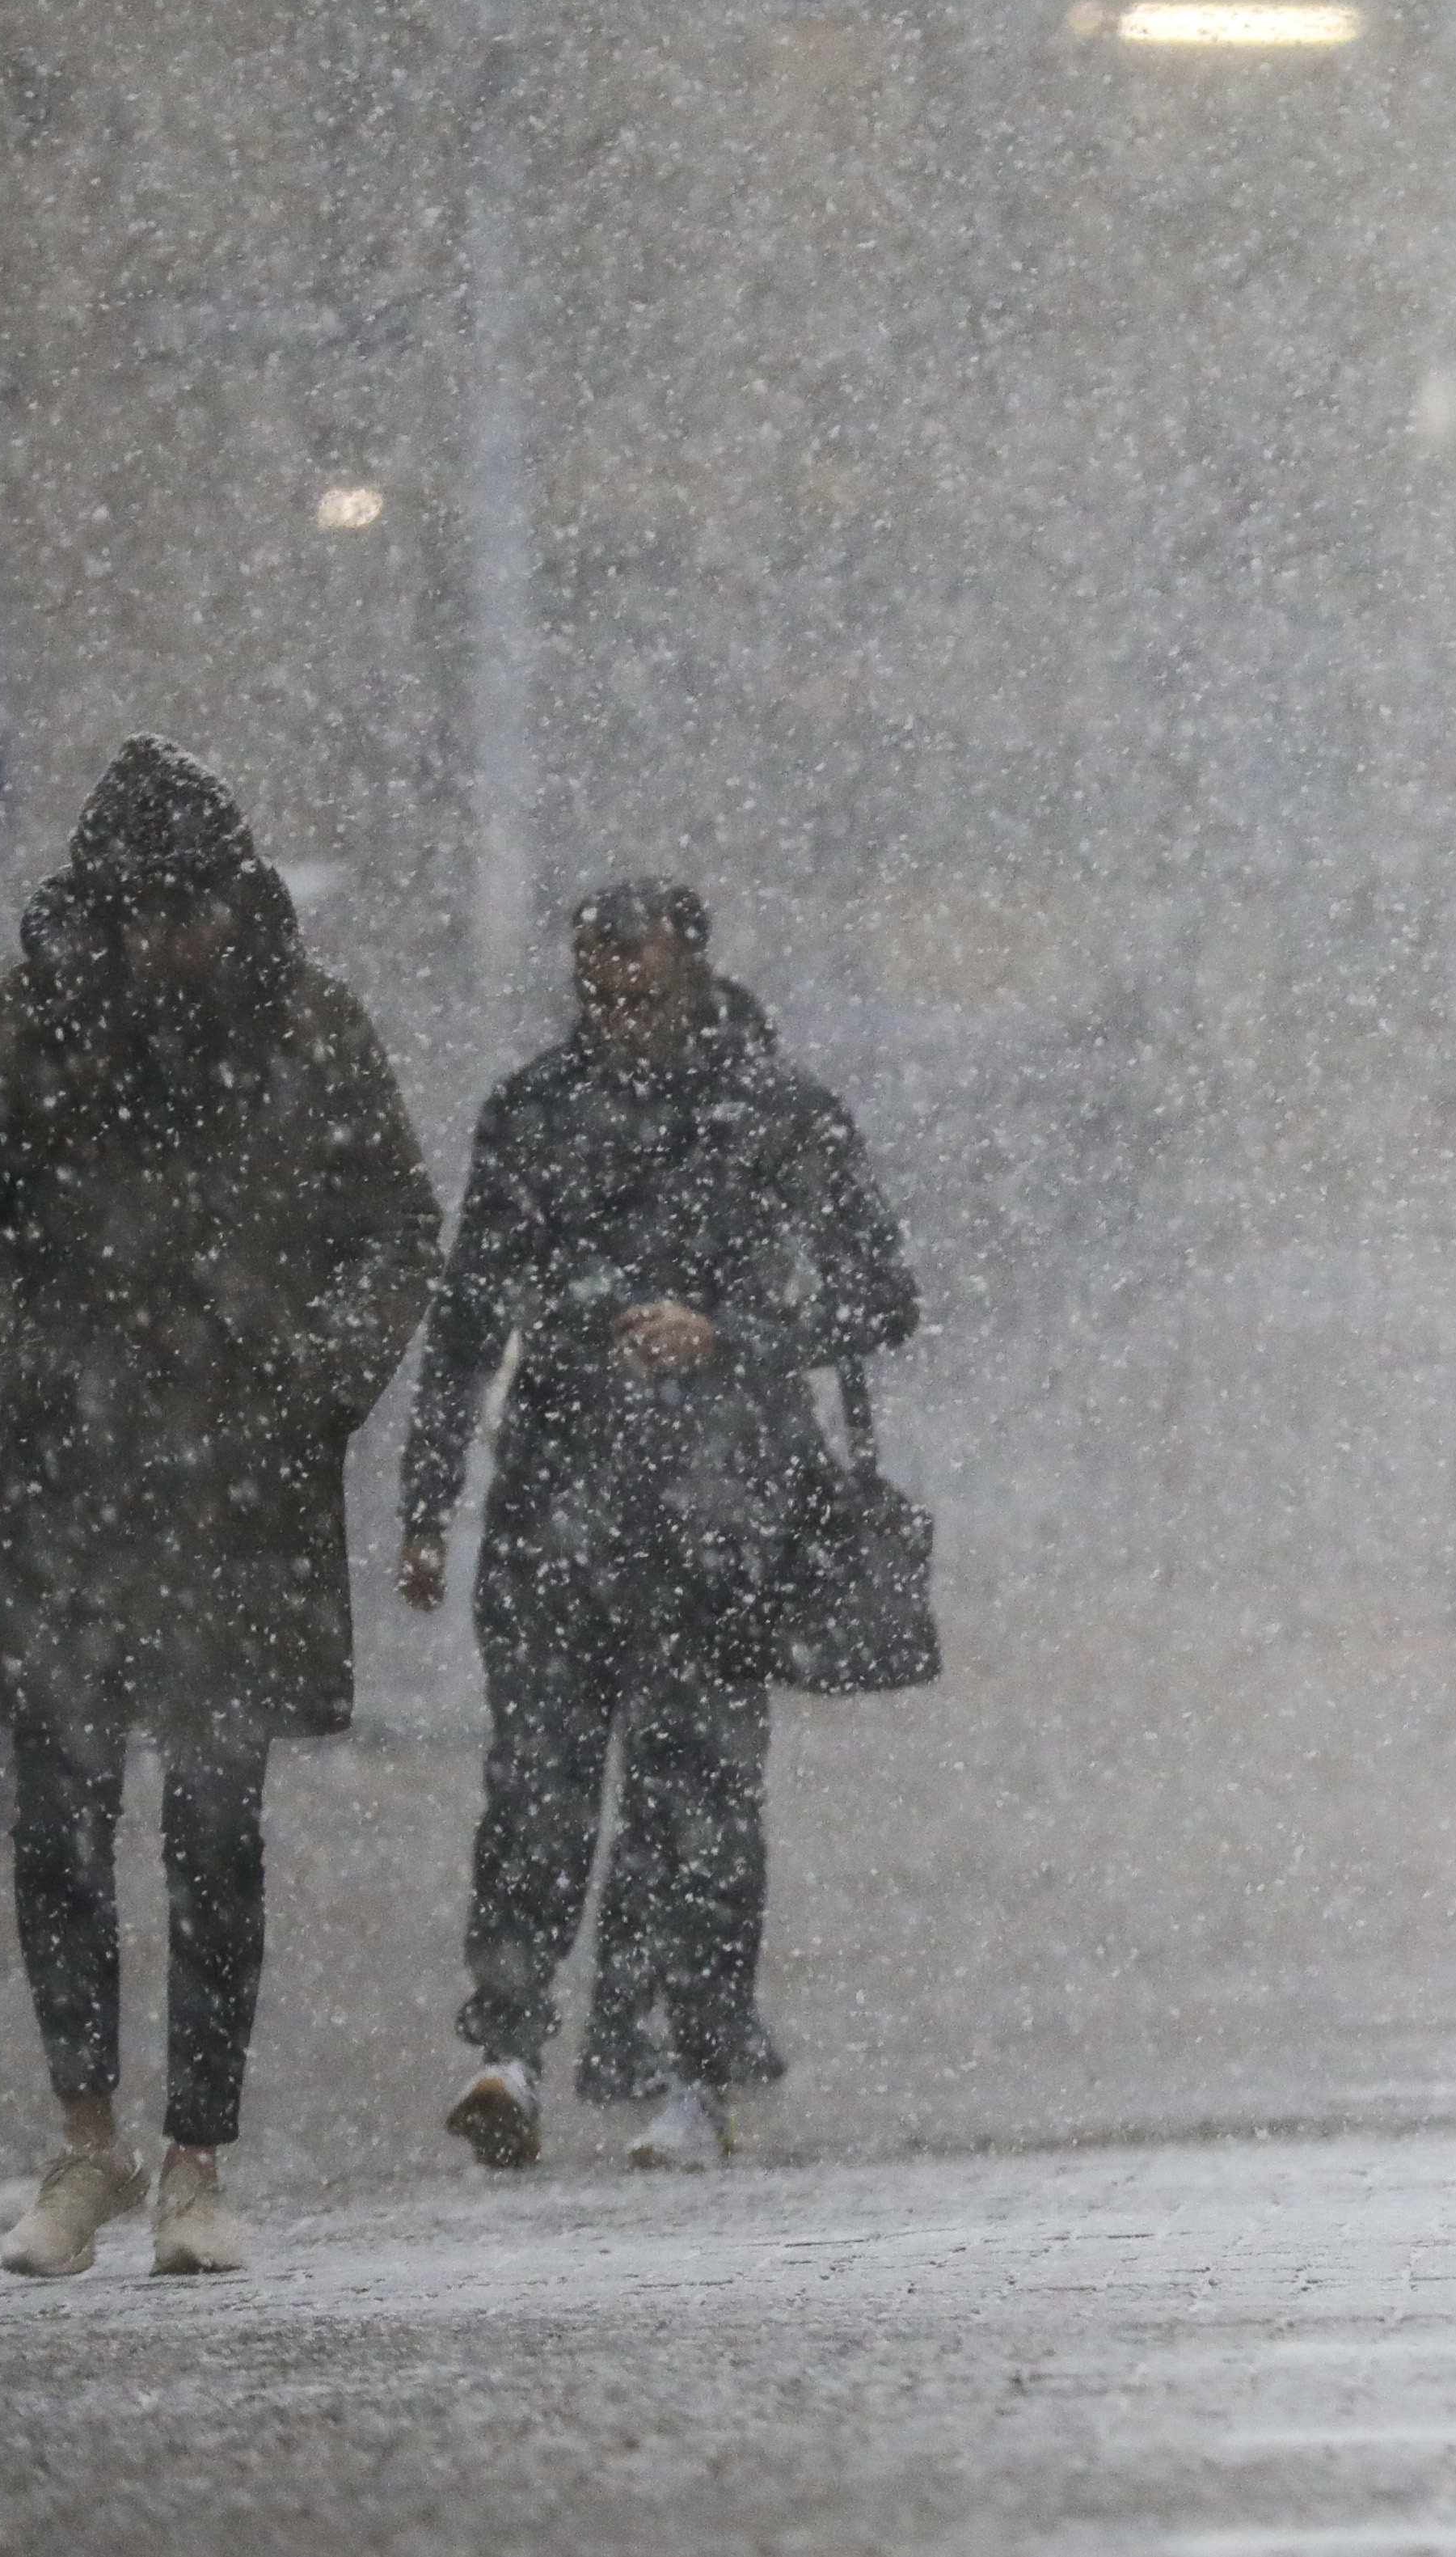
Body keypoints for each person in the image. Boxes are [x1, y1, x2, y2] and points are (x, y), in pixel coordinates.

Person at [0, 738, 439, 2280]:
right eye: (142, 911)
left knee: (218, 1824)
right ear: (103, 907)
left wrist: (310, 1377)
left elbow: (396, 1224)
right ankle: (87, 2144)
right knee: (62, 1826)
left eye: (190, 908)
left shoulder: (310, 1037)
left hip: (243, 1492)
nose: (168, 940)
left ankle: (198, 2158)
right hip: (69, 1491)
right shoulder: (24, 1038)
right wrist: (22, 1371)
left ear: (235, 901)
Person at [403, 881, 916, 2172]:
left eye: (636, 978)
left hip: (718, 1513)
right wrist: (425, 1503)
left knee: (702, 1803)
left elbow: (878, 1290)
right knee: (535, 1793)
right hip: (556, 1508)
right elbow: (469, 1314)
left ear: (689, 967)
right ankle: (508, 2047)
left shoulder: (777, 1109)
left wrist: (729, 1330)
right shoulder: (533, 1111)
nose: (616, 1004)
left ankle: (697, 2069)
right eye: (597, 983)